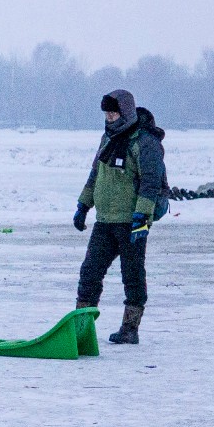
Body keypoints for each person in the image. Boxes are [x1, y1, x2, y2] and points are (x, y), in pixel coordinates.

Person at [74, 89, 166, 345]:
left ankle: (130, 328)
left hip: (132, 222)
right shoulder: (107, 138)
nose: (109, 117)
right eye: (106, 113)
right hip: (105, 221)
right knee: (90, 273)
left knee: (132, 274)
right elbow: (96, 175)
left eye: (113, 112)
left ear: (125, 112)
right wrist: (83, 205)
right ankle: (82, 327)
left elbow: (151, 182)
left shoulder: (145, 142)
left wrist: (142, 217)